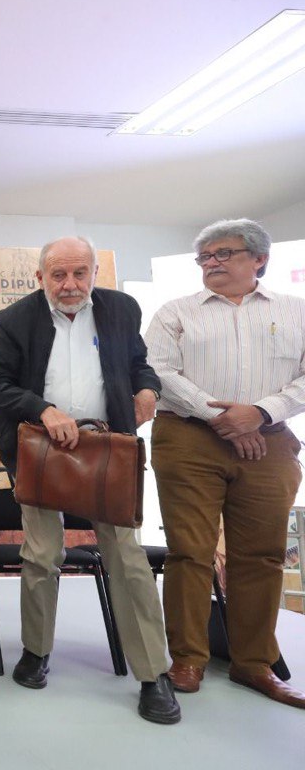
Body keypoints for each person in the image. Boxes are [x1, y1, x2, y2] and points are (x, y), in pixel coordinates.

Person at [0, 235, 180, 724]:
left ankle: (153, 674)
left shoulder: (121, 310)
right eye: (58, 275)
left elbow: (138, 365)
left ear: (94, 273)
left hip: (109, 449)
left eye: (79, 273)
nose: (69, 284)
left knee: (127, 558)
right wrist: (43, 409)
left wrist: (148, 390)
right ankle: (35, 652)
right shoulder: (15, 319)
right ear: (40, 277)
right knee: (41, 554)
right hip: (40, 449)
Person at [146, 218, 305, 709]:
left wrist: (260, 413)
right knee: (189, 552)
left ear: (259, 259)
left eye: (223, 253)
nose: (211, 263)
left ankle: (254, 663)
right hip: (189, 437)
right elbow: (158, 371)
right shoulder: (176, 312)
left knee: (262, 555)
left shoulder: (296, 311)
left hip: (268, 440)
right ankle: (187, 659)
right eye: (205, 257)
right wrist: (223, 418)